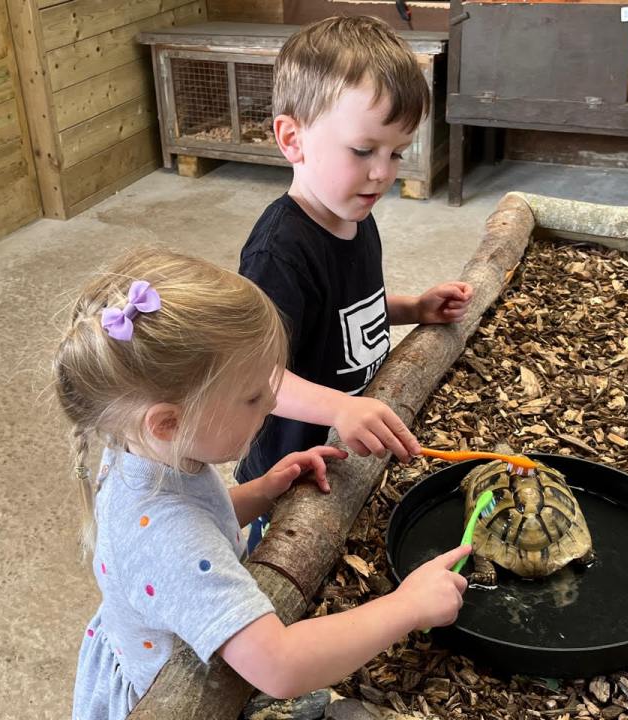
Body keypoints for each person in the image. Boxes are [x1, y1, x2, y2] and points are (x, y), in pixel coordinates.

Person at [54, 248, 470, 719]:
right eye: (253, 396)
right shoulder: (168, 539)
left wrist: (263, 490)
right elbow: (279, 665)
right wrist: (408, 606)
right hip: (170, 698)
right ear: (168, 423)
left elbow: (197, 519)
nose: (273, 399)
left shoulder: (139, 447)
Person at [237, 16, 475, 548]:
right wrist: (341, 408)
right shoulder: (280, 252)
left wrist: (413, 308)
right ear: (292, 138)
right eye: (364, 151)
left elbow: (348, 308)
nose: (383, 173)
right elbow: (257, 377)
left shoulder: (354, 215)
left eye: (397, 152)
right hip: (290, 464)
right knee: (283, 554)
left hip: (347, 441)